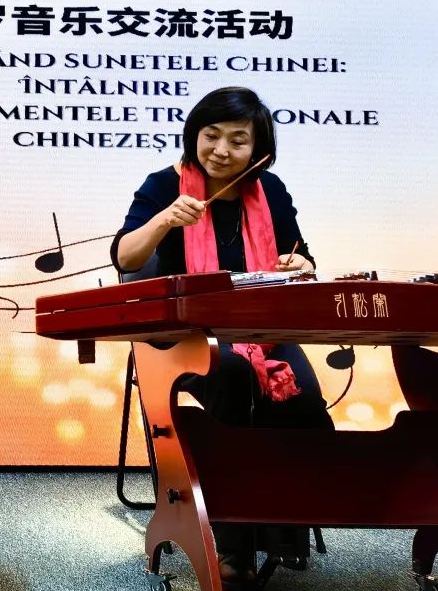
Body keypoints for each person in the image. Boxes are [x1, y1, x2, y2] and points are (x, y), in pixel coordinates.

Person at [110, 86, 333, 588]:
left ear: (258, 149)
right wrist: (165, 220)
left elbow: (303, 259)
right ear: (195, 134)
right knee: (232, 373)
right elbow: (125, 257)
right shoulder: (164, 185)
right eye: (211, 135)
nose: (221, 150)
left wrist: (299, 263)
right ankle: (232, 544)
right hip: (181, 335)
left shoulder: (270, 191)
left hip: (260, 331)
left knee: (300, 394)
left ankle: (285, 532)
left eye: (238, 140)